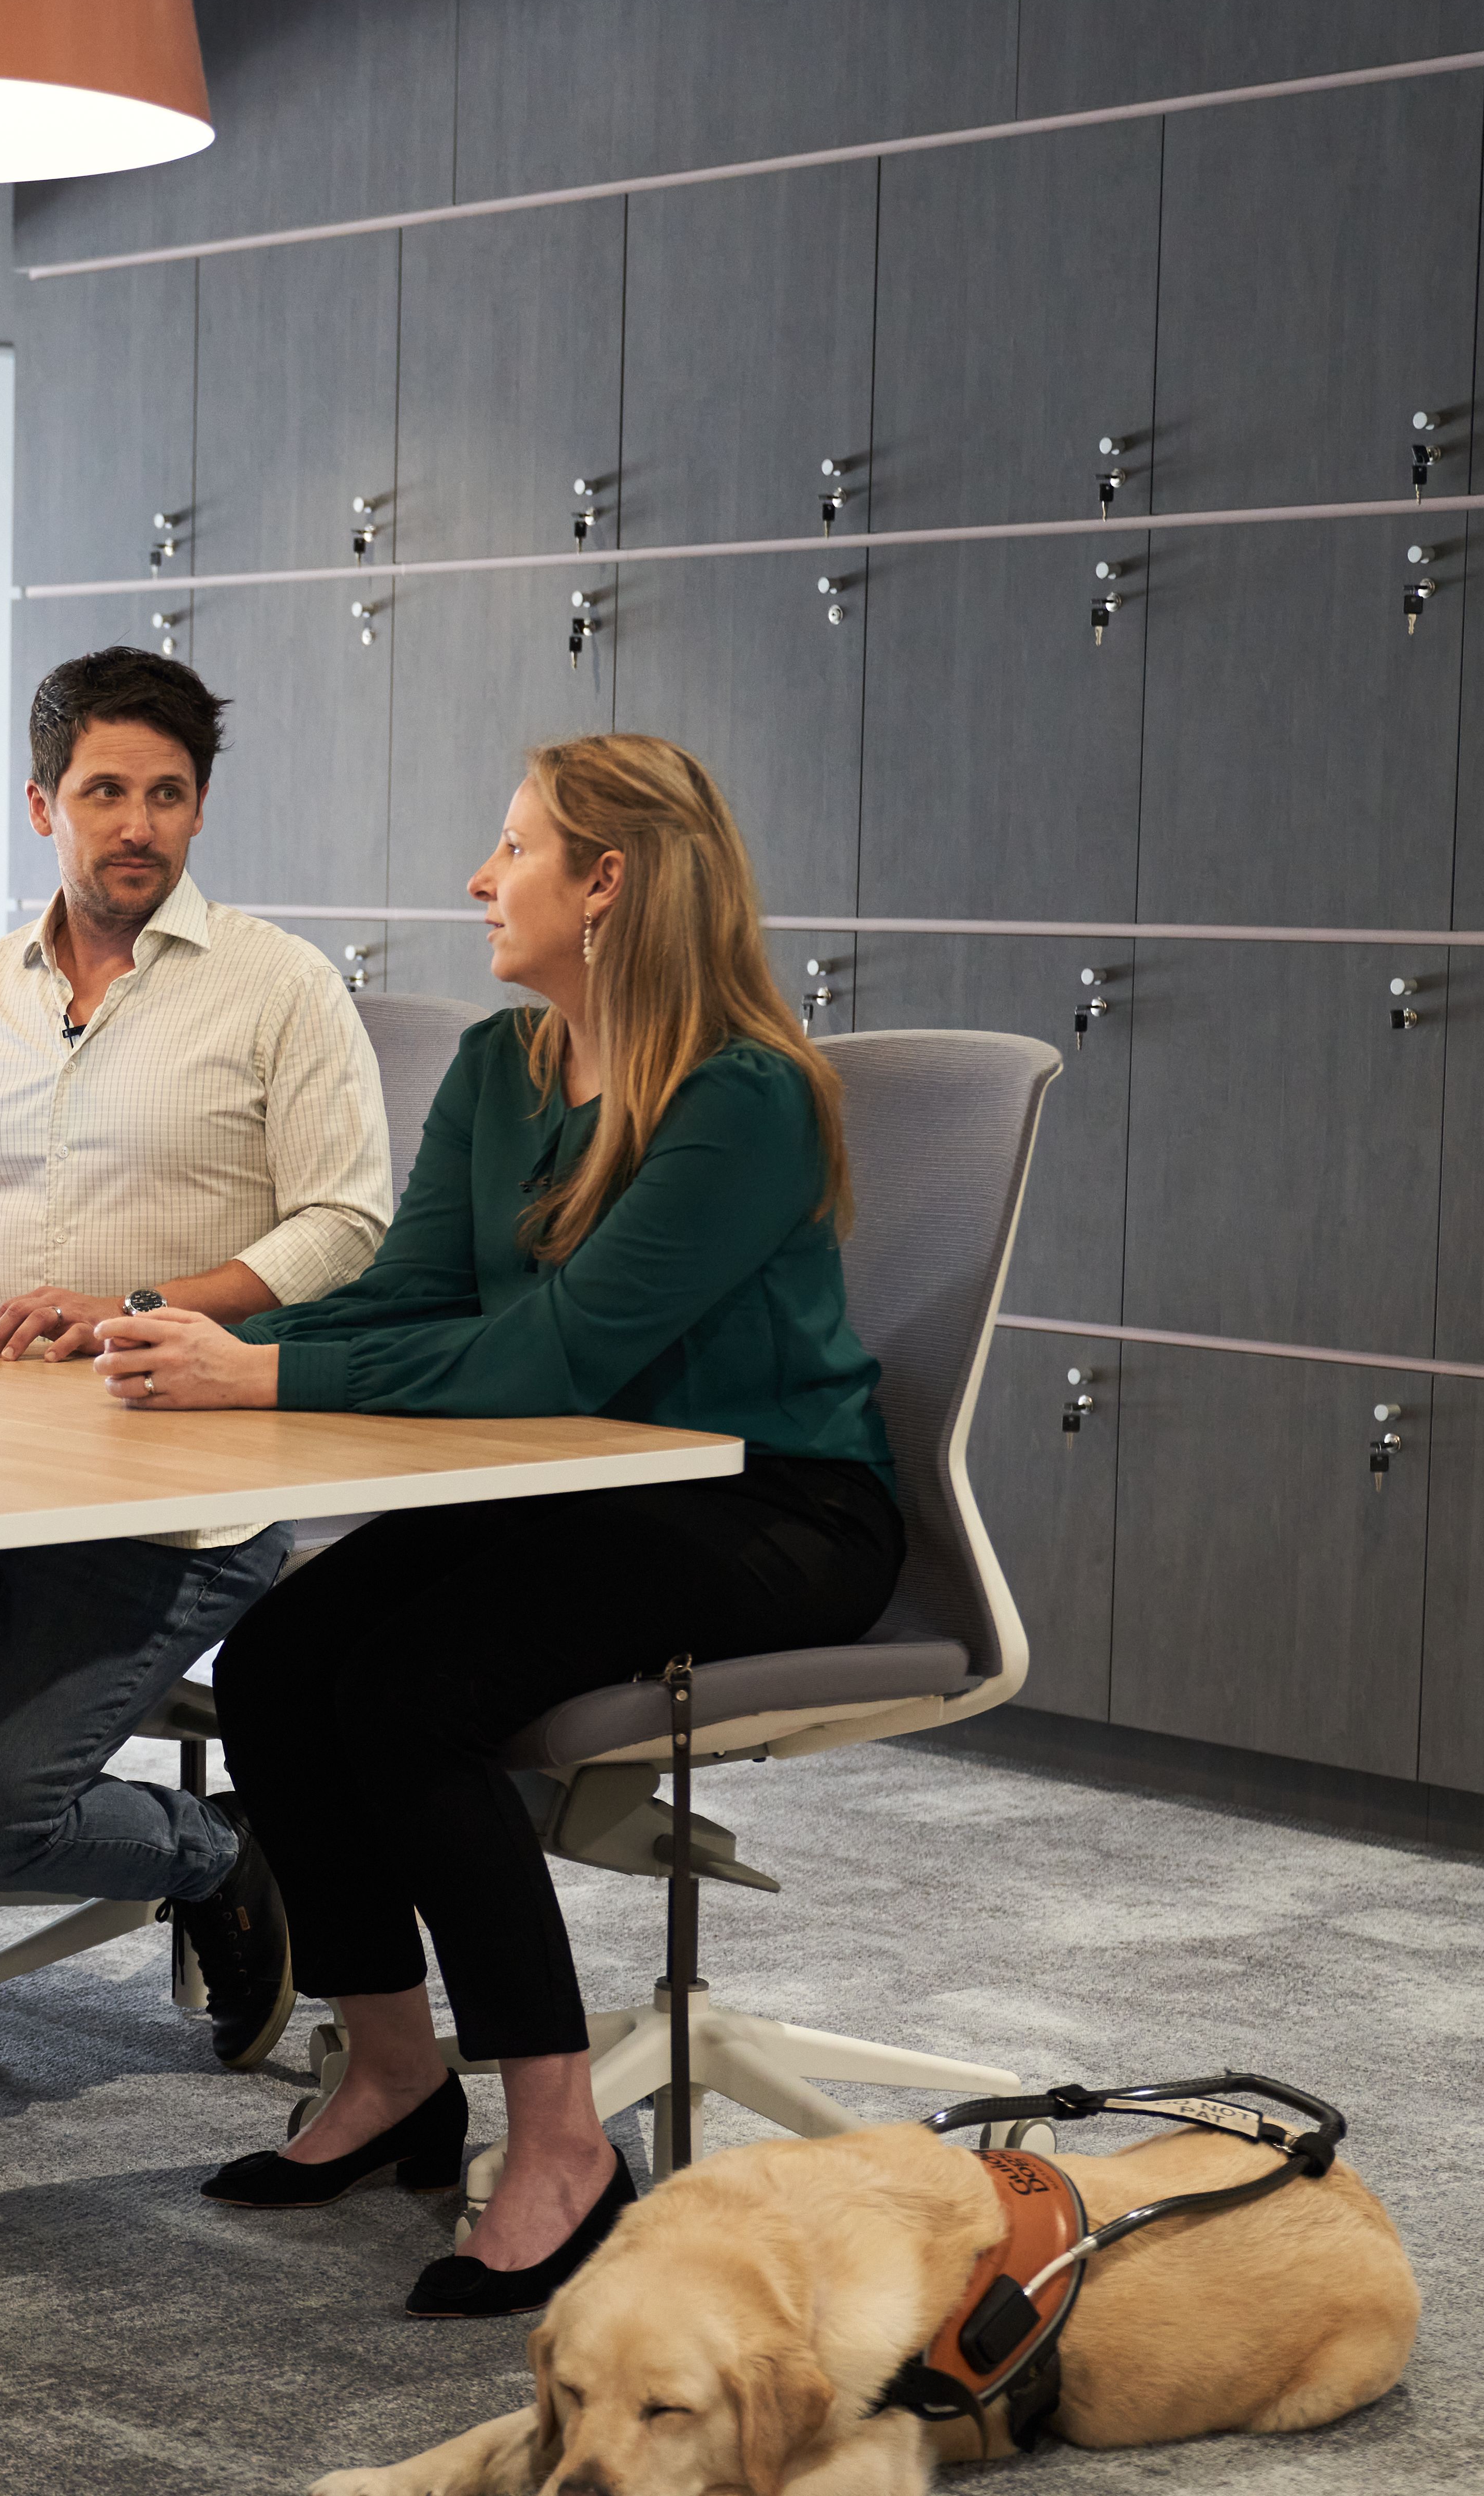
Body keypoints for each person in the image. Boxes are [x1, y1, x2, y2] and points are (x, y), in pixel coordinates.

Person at [86, 733, 903, 2317]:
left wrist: (265, 1384)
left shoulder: (745, 1099)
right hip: (580, 1487)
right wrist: (196, 1337)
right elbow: (411, 1295)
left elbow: (557, 1353)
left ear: (607, 883)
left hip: (770, 1503)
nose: (479, 877)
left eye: (513, 848)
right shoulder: (501, 1068)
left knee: (409, 1695)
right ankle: (394, 2069)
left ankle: (560, 2142)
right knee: (281, 1656)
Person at [0, 646, 393, 2068]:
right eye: (105, 790)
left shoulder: (278, 988)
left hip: (186, 1502)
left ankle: (219, 1851)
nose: (137, 823)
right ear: (39, 804)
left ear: (198, 814)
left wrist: (136, 1301)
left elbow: (348, 1224)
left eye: (168, 795)